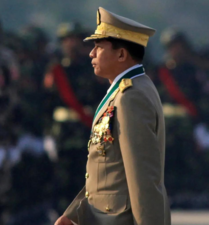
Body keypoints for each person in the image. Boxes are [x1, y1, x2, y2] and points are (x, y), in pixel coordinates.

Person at [55, 7, 170, 225]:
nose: (91, 53)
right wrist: (74, 214)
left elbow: (144, 178)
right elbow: (108, 170)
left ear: (121, 54)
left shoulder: (131, 97)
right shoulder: (126, 90)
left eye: (98, 47)